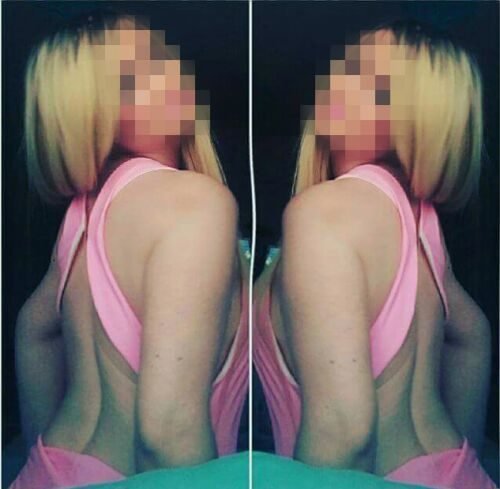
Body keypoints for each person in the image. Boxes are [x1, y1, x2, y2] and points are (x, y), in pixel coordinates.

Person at [253, 20, 497, 489]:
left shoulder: (326, 211)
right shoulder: (417, 221)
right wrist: (457, 466)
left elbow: (343, 434)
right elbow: (472, 335)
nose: (341, 82)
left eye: (374, 83)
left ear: (419, 116)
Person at [12, 9, 248, 489]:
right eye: (133, 76)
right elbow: (167, 434)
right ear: (88, 110)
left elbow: (34, 330)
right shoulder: (194, 202)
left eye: (161, 57)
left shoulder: (84, 216)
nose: (169, 73)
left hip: (49, 469)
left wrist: (49, 460)